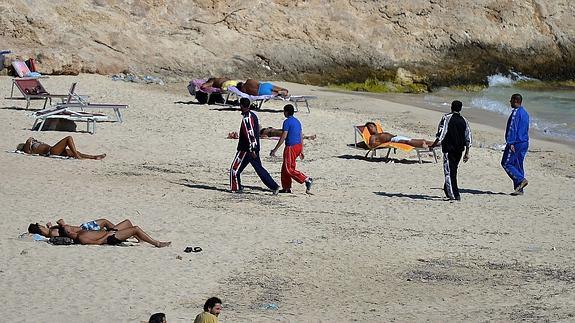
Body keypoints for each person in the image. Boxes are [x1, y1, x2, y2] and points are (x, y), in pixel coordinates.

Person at [229, 98, 280, 194]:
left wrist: (252, 150)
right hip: (253, 148)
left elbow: (250, 134)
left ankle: (235, 188)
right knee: (259, 169)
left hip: (246, 149)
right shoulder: (253, 115)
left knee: (234, 169)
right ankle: (274, 186)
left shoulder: (247, 118)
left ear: (242, 106)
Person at [429, 100, 472, 201]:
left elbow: (441, 133)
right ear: (460, 109)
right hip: (460, 149)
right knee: (453, 170)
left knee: (448, 171)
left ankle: (454, 195)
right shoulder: (464, 120)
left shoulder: (446, 118)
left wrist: (433, 145)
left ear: (451, 107)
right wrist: (467, 152)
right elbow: (468, 136)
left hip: (449, 148)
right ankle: (447, 189)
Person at [270, 104, 314, 194]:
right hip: (298, 146)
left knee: (288, 168)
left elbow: (283, 136)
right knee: (285, 168)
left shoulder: (287, 122)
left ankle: (306, 179)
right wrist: (301, 149)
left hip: (291, 147)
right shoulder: (297, 121)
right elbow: (300, 135)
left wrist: (275, 149)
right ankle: (286, 188)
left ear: (286, 112)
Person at [502, 93, 530, 195]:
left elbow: (512, 128)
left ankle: (520, 180)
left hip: (516, 142)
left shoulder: (516, 112)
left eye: (511, 100)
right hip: (524, 142)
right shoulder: (525, 113)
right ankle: (519, 189)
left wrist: (510, 142)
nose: (510, 102)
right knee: (518, 164)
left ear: (516, 101)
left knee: (506, 163)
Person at [59, 224, 171, 248]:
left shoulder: (78, 232)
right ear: (69, 232)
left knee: (127, 221)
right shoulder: (81, 238)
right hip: (109, 238)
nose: (69, 225)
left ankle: (140, 239)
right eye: (69, 227)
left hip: (109, 233)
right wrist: (107, 234)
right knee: (135, 228)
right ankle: (157, 243)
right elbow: (98, 243)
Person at [28, 218, 138, 239]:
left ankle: (126, 233)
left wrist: (50, 226)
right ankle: (124, 234)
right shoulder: (52, 233)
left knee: (105, 222)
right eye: (40, 226)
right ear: (40, 229)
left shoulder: (51, 230)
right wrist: (62, 224)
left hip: (83, 228)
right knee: (105, 222)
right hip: (84, 230)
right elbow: (66, 233)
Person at [17, 136, 106, 160]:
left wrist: (32, 140)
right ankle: (77, 156)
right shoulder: (27, 148)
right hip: (51, 151)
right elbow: (28, 152)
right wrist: (28, 141)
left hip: (54, 149)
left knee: (76, 151)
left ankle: (94, 157)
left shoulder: (32, 144)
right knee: (68, 138)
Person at [364, 123, 435, 148]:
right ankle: (422, 145)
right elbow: (372, 145)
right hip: (392, 140)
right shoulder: (373, 137)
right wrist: (383, 143)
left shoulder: (380, 133)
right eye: (368, 128)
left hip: (396, 137)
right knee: (407, 142)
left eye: (371, 126)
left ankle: (437, 144)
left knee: (422, 140)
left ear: (375, 127)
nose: (370, 128)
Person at [227, 127, 316, 140]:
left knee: (289, 133)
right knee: (290, 134)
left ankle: (307, 137)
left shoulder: (259, 131)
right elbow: (263, 137)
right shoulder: (258, 134)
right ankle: (307, 137)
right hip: (273, 133)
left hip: (272, 130)